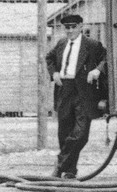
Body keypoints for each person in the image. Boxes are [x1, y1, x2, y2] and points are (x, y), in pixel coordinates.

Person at [45, 13, 107, 179]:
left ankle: (60, 165)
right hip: (64, 89)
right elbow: (49, 58)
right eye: (67, 28)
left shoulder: (91, 45)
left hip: (84, 91)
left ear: (80, 27)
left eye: (73, 27)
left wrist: (97, 70)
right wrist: (54, 73)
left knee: (80, 133)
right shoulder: (61, 43)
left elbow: (106, 58)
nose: (70, 30)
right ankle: (70, 171)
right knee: (64, 132)